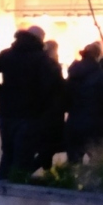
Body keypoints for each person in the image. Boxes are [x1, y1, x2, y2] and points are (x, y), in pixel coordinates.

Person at [0, 26, 62, 179]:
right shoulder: (41, 59)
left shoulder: (6, 54)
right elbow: (51, 87)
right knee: (23, 156)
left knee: (8, 153)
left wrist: (1, 92)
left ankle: (2, 186)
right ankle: (17, 186)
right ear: (39, 40)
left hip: (6, 112)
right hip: (30, 115)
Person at [64, 42, 103, 162]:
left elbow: (65, 97)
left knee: (74, 160)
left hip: (74, 121)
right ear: (98, 55)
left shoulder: (73, 73)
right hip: (94, 123)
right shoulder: (99, 74)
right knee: (98, 159)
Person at [38, 40, 66, 169]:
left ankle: (45, 166)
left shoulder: (41, 63)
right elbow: (58, 86)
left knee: (47, 144)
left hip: (44, 109)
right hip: (52, 110)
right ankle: (41, 166)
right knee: (50, 144)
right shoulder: (52, 65)